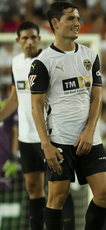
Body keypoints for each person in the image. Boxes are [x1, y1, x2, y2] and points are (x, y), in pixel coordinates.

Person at [28, 2, 106, 230]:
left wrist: (89, 131)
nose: (77, 23)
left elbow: (97, 97)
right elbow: (35, 106)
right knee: (58, 198)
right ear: (55, 23)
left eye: (77, 18)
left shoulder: (90, 55)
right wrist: (45, 144)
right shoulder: (42, 62)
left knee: (104, 194)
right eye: (70, 19)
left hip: (89, 138)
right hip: (60, 140)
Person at [0, 21, 75, 230]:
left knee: (60, 192)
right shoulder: (16, 63)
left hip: (49, 139)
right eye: (25, 38)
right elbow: (15, 97)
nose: (30, 41)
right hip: (26, 139)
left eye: (33, 37)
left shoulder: (49, 61)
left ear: (39, 39)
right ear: (18, 41)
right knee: (33, 188)